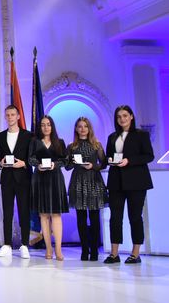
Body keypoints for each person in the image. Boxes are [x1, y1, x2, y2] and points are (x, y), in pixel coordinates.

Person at [104, 105, 154, 264]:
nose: (122, 119)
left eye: (125, 115)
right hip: (116, 182)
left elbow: (149, 156)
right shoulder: (112, 137)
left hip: (136, 182)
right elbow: (108, 156)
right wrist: (109, 160)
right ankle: (114, 254)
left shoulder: (141, 135)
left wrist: (129, 160)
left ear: (131, 116)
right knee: (115, 218)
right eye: (119, 117)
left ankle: (135, 253)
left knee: (135, 217)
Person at [65, 117, 106, 261]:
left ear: (89, 128)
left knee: (94, 218)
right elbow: (67, 166)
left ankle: (94, 250)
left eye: (85, 126)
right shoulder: (71, 146)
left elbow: (104, 163)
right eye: (80, 126)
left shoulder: (96, 145)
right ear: (76, 129)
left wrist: (93, 166)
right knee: (81, 218)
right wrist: (72, 160)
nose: (83, 129)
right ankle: (84, 250)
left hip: (94, 182)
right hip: (78, 182)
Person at [0, 105, 34, 259]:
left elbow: (32, 158)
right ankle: (7, 245)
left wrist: (24, 163)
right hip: (7, 178)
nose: (10, 117)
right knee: (7, 212)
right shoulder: (0, 136)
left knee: (24, 212)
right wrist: (1, 162)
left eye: (12, 114)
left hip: (23, 178)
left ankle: (24, 245)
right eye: (7, 115)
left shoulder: (28, 135)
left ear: (18, 116)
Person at [28, 115, 68, 261]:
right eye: (43, 125)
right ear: (40, 127)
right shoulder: (34, 141)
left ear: (52, 126)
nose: (46, 127)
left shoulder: (59, 142)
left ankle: (58, 249)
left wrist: (54, 165)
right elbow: (30, 159)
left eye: (48, 124)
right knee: (44, 215)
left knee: (56, 214)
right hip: (40, 179)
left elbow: (65, 160)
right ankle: (48, 248)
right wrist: (37, 165)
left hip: (55, 179)